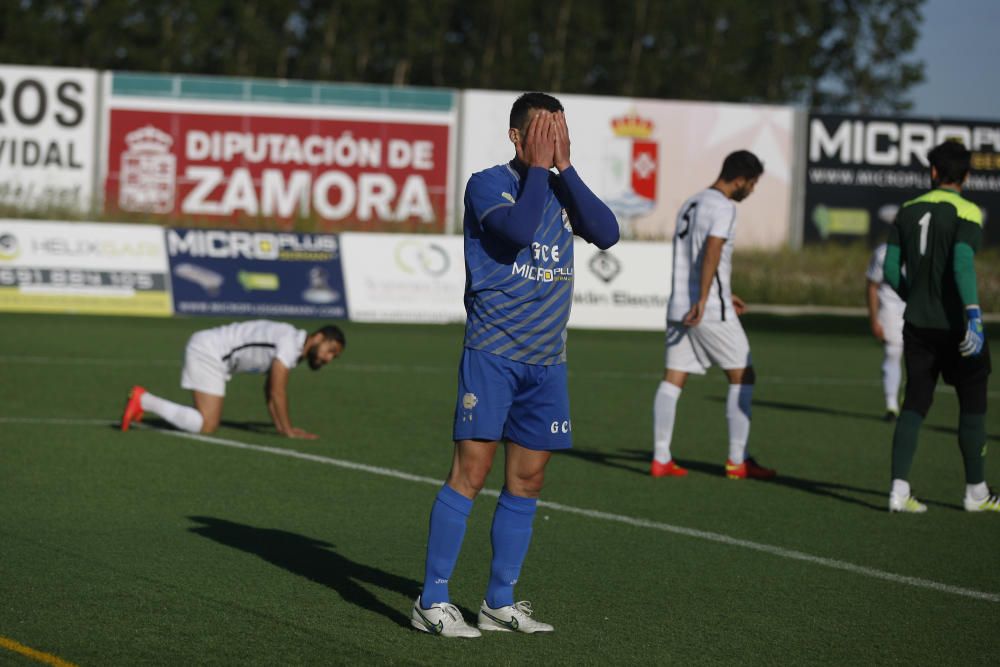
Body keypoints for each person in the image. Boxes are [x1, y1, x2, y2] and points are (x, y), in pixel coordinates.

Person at [409, 92, 619, 638]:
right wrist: (538, 172)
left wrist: (565, 168)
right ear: (516, 136)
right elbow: (519, 231)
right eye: (545, 134)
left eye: (561, 134)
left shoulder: (558, 187)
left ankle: (498, 602)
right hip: (493, 353)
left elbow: (607, 231)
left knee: (528, 480)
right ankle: (431, 601)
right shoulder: (488, 183)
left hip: (547, 361)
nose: (554, 143)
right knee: (471, 473)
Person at [883, 140, 997, 513]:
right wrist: (974, 314)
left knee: (914, 402)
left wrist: (913, 296)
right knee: (973, 403)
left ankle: (899, 491)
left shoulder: (906, 210)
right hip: (957, 325)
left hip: (917, 325)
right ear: (966, 176)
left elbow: (888, 271)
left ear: (933, 172)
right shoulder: (967, 211)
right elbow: (962, 263)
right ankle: (976, 493)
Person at [651, 150, 776, 480]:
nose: (752, 190)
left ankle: (661, 457)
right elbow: (712, 250)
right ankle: (738, 460)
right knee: (743, 375)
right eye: (752, 184)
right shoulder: (723, 207)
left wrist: (717, 290)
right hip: (706, 308)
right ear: (739, 180)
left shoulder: (691, 203)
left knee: (674, 377)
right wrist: (708, 298)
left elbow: (699, 256)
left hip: (680, 303)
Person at [119, 320, 345, 438]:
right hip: (209, 351)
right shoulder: (290, 342)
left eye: (334, 356)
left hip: (212, 351)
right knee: (207, 425)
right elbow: (277, 391)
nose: (329, 358)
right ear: (317, 337)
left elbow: (269, 390)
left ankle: (143, 402)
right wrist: (288, 430)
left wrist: (280, 427)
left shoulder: (293, 347)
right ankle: (143, 400)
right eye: (330, 350)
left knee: (207, 423)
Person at [865, 241, 906, 420]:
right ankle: (891, 405)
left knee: (919, 355)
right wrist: (874, 319)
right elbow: (872, 286)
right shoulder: (883, 253)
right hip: (889, 305)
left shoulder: (927, 250)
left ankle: (911, 395)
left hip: (915, 306)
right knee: (893, 351)